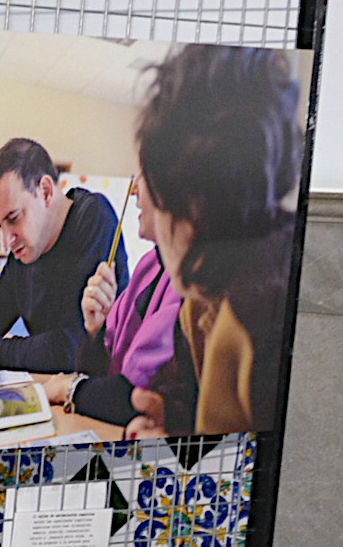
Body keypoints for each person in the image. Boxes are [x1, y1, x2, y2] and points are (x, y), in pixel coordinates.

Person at [119, 46, 301, 436]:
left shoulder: (258, 319)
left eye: (146, 178)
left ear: (189, 202)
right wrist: (177, 424)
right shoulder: (205, 298)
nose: (138, 192)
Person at [0, 138, 127, 393]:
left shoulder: (94, 218)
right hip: (52, 392)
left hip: (95, 398)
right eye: (0, 227)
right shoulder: (27, 248)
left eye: (14, 219)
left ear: (46, 191)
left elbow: (69, 349)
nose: (7, 241)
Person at [41, 174, 183, 430]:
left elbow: (135, 397)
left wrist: (68, 388)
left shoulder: (193, 285)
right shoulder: (149, 265)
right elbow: (97, 371)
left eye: (145, 172)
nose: (134, 189)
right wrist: (95, 329)